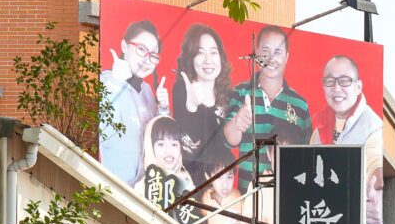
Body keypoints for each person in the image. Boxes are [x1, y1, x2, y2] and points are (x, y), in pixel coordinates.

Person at [222, 24, 311, 173]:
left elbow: (307, 155)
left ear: (287, 56)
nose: (271, 58)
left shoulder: (300, 105)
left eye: (277, 52)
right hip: (248, 193)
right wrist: (237, 123)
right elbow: (229, 140)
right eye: (265, 51)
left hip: (285, 193)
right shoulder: (241, 92)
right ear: (256, 54)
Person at [101, 19, 166, 184]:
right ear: (124, 46)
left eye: (153, 55)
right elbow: (103, 132)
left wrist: (163, 109)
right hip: (113, 188)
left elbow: (158, 139)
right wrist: (116, 83)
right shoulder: (105, 82)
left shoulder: (147, 91)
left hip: (143, 191)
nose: (146, 60)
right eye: (141, 49)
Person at [169, 22, 233, 187]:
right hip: (189, 184)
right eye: (200, 53)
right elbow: (192, 142)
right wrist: (192, 108)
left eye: (213, 53)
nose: (208, 60)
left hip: (221, 183)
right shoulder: (182, 89)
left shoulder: (226, 94)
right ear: (191, 58)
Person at [310, 54, 383, 152]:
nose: (336, 88)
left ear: (358, 87)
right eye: (330, 81)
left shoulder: (373, 130)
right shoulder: (319, 130)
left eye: (344, 81)